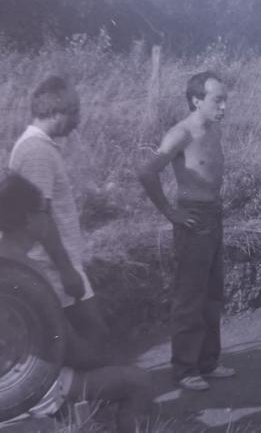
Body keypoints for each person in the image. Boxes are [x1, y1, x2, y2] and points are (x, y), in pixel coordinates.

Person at [0, 173, 151, 433]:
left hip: (9, 384)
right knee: (137, 382)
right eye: (44, 210)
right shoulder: (29, 272)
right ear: (28, 219)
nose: (49, 217)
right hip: (31, 391)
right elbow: (72, 351)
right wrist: (107, 361)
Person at [138, 70, 234, 391]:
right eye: (217, 100)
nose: (224, 107)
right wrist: (169, 212)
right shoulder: (181, 133)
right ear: (196, 100)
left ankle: (208, 361)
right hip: (192, 221)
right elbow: (147, 171)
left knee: (212, 294)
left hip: (214, 216)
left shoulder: (214, 130)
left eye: (225, 100)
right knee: (190, 296)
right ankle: (184, 369)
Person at [8, 75, 109, 345]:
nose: (78, 120)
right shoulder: (37, 152)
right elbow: (39, 217)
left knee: (81, 341)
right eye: (74, 111)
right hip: (49, 266)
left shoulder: (40, 148)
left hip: (51, 262)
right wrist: (66, 270)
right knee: (94, 338)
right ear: (55, 113)